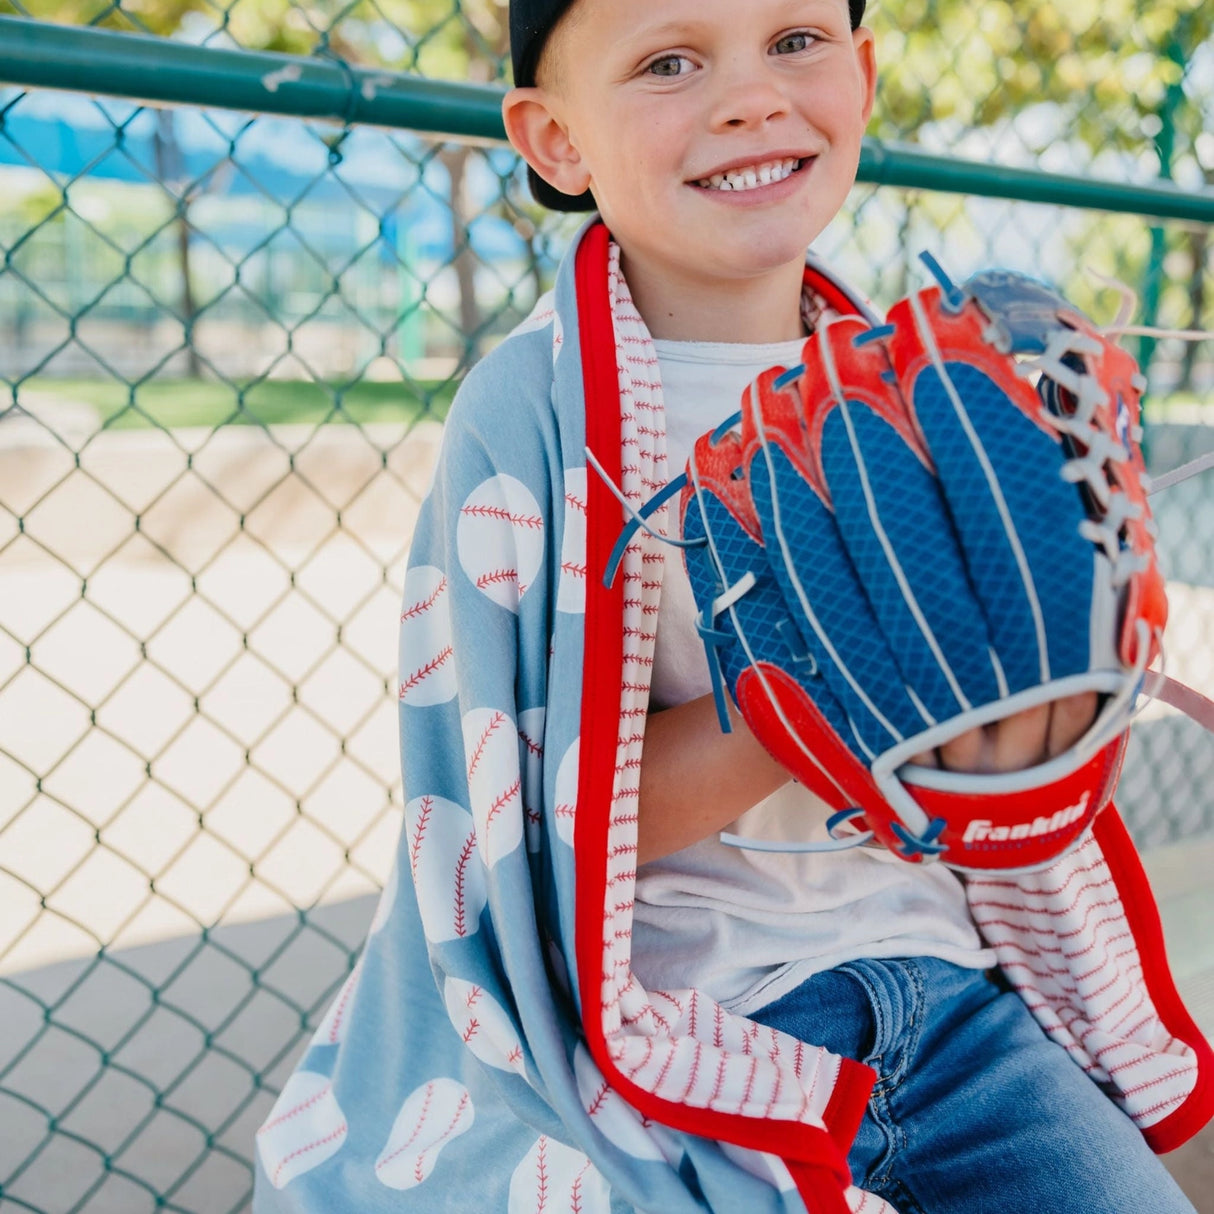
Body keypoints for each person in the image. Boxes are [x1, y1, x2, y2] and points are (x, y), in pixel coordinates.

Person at [252, 2, 1213, 1211]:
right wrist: (815, 689)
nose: (752, 97)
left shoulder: (934, 391)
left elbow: (1004, 784)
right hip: (682, 1017)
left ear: (862, 75)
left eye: (794, 41)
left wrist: (1043, 705)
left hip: (952, 993)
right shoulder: (529, 417)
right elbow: (543, 832)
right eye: (669, 60)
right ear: (554, 139)